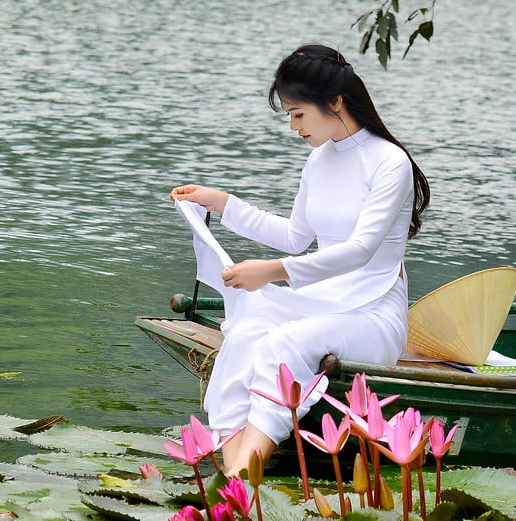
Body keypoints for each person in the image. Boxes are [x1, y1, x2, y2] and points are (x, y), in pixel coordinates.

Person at [171, 43, 431, 477]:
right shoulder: (319, 159)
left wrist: (269, 273)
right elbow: (295, 238)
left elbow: (361, 250)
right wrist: (222, 204)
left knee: (284, 343)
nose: (293, 127)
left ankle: (238, 478)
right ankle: (233, 465)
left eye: (298, 114)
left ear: (334, 102)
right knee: (248, 327)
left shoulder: (390, 162)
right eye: (289, 115)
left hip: (373, 312)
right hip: (324, 299)